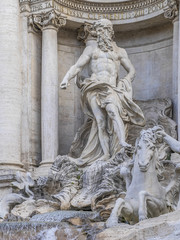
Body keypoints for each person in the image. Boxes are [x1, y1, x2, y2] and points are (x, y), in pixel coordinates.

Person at [60, 19, 145, 165]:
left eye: (103, 30)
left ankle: (122, 144)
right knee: (100, 121)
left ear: (110, 32)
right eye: (98, 30)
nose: (100, 33)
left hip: (110, 88)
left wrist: (124, 83)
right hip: (93, 87)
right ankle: (105, 154)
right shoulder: (91, 50)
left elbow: (131, 70)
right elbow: (78, 66)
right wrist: (66, 78)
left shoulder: (120, 51)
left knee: (113, 111)